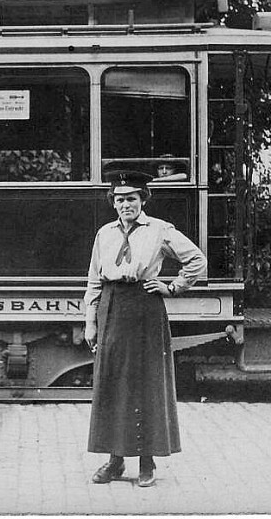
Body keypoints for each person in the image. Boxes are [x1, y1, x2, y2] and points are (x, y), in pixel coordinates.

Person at [84, 169, 206, 487]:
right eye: (120, 199)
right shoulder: (104, 234)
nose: (126, 204)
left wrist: (172, 287)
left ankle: (147, 463)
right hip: (111, 309)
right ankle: (114, 462)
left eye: (133, 198)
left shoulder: (160, 230)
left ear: (143, 200)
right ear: (113, 202)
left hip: (144, 310)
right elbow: (94, 281)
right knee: (112, 383)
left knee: (145, 384)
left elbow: (196, 260)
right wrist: (90, 322)